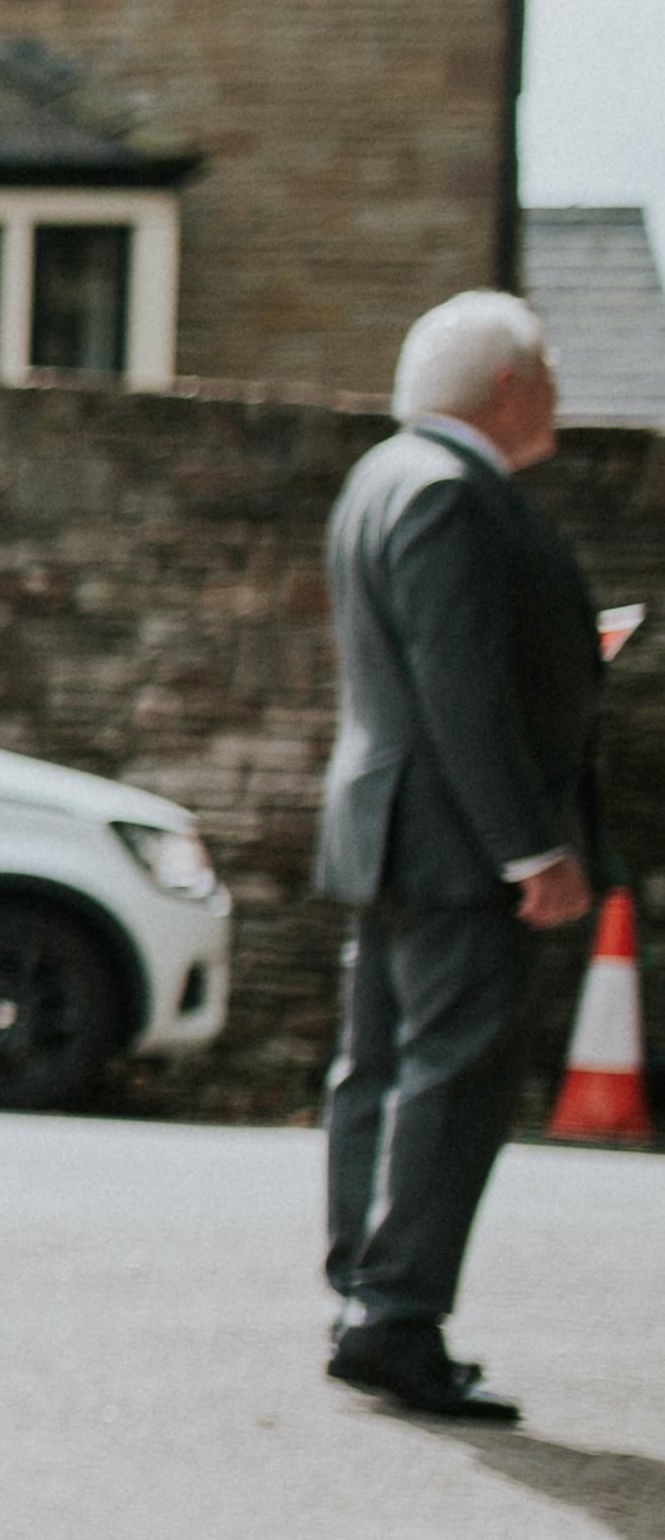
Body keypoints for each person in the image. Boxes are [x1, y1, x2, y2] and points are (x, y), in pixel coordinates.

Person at [319, 289, 616, 1426]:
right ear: (509, 387)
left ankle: (363, 1294)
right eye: (545, 373)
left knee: (378, 1069)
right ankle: (395, 1317)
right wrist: (530, 846)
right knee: (450, 1076)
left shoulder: (381, 477)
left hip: (390, 827)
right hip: (454, 840)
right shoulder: (451, 492)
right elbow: (459, 686)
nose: (554, 395)